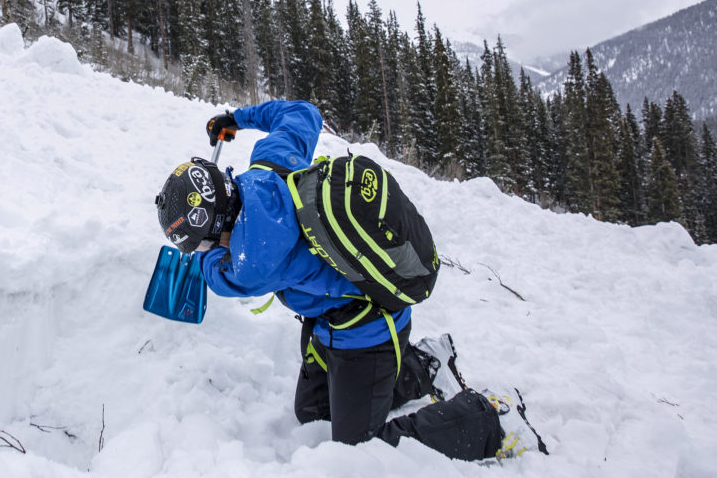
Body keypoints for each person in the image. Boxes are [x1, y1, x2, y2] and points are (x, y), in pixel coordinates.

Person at [155, 99, 547, 460]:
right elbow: (302, 113)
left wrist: (201, 252)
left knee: (361, 454)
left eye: (205, 243)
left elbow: (217, 276)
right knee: (311, 414)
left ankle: (491, 419)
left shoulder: (250, 261)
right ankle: (425, 364)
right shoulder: (268, 164)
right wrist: (238, 118)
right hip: (327, 328)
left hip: (368, 332)